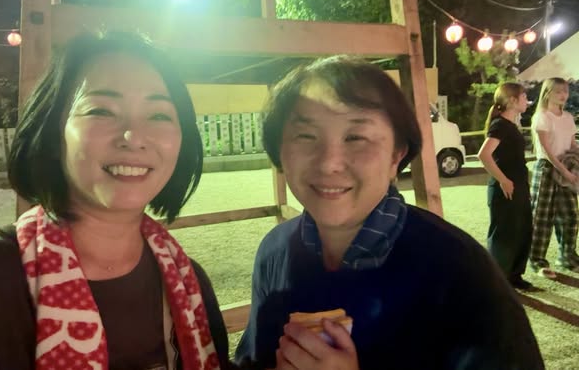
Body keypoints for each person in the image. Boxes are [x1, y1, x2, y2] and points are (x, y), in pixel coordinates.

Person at [234, 56, 544, 370]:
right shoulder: (275, 252)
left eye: (356, 137)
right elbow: (254, 360)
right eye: (305, 136)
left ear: (397, 155)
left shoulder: (461, 272)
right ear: (279, 152)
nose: (329, 163)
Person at [0, 32, 232, 370]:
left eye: (159, 115)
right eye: (101, 110)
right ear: (53, 135)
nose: (133, 137)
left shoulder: (191, 283)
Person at [477, 82, 533, 290]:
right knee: (504, 235)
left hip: (518, 186)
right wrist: (503, 180)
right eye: (524, 96)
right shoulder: (500, 125)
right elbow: (484, 155)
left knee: (522, 230)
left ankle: (514, 276)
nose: (527, 100)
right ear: (512, 100)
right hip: (505, 188)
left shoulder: (510, 125)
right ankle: (498, 282)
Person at [529, 77, 579, 278]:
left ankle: (567, 256)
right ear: (548, 93)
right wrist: (565, 172)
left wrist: (573, 164)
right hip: (547, 169)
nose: (563, 95)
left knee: (571, 214)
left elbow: (572, 144)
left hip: (567, 166)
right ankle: (537, 261)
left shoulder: (567, 117)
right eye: (558, 91)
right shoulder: (542, 117)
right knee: (542, 216)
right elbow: (546, 150)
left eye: (565, 91)